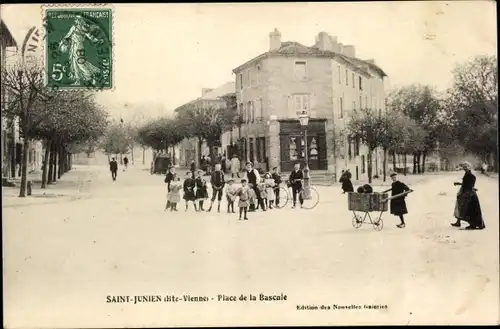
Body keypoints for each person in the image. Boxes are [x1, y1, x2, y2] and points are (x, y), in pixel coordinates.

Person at [451, 162, 485, 230]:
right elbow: (466, 184)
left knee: (469, 209)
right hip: (467, 193)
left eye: (466, 167)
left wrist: (470, 188)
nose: (464, 168)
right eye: (464, 167)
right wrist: (459, 184)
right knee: (462, 206)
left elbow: (468, 185)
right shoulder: (467, 174)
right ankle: (459, 222)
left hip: (469, 194)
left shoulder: (470, 175)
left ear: (469, 167)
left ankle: (473, 225)